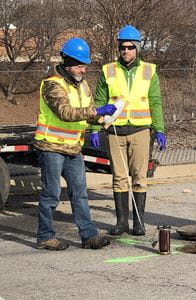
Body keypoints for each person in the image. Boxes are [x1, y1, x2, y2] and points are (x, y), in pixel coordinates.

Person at [34, 38, 117, 250]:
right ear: (68, 63)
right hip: (51, 147)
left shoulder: (83, 85)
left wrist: (103, 119)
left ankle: (88, 236)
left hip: (73, 147)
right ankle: (45, 236)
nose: (84, 69)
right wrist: (97, 111)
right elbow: (65, 112)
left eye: (84, 65)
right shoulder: (53, 84)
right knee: (51, 194)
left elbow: (85, 113)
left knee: (80, 193)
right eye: (80, 65)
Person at [91, 25, 166, 236]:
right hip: (115, 131)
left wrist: (159, 129)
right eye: (122, 47)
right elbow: (99, 100)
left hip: (141, 131)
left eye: (130, 47)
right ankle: (122, 222)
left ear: (137, 48)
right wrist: (95, 128)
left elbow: (155, 101)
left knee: (139, 177)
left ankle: (139, 223)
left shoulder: (149, 70)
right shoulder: (108, 70)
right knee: (119, 177)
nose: (126, 51)